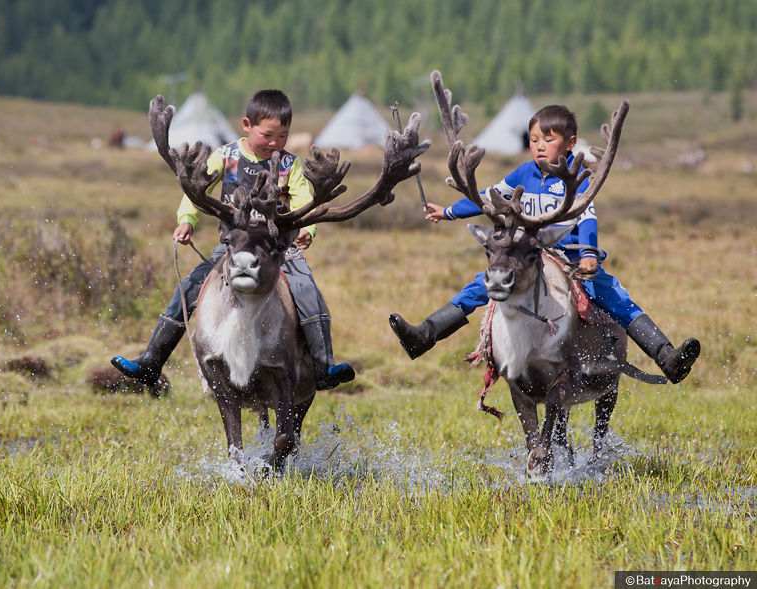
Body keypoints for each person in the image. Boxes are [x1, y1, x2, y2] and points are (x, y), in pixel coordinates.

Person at [389, 104, 700, 384]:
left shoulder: (576, 177)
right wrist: (447, 212)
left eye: (548, 140)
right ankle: (424, 335)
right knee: (481, 285)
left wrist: (590, 254)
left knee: (611, 294)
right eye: (534, 139)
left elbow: (587, 217)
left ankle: (666, 357)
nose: (539, 146)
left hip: (571, 257)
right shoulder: (523, 172)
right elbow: (488, 199)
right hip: (528, 253)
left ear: (570, 144)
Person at [111, 89, 355, 391]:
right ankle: (152, 359)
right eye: (268, 135)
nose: (275, 143)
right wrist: (186, 221)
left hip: (279, 248)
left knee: (306, 289)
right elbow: (194, 190)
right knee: (189, 287)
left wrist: (308, 229)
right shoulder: (225, 157)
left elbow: (305, 200)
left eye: (283, 136)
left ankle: (323, 364)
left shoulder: (289, 165)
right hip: (233, 247)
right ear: (247, 125)